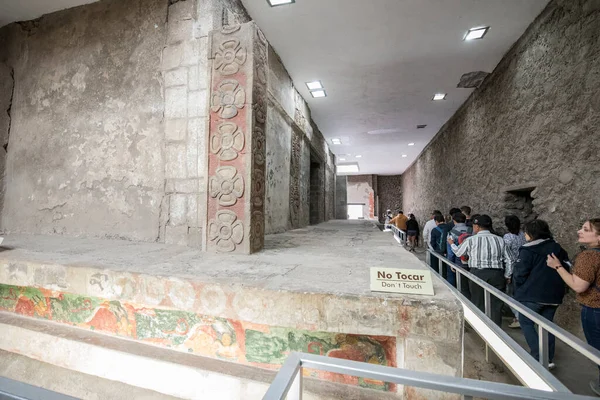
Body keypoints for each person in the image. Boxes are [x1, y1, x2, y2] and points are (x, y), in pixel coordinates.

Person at [547, 218, 600, 395]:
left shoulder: (589, 256)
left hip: (595, 310)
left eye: (585, 229)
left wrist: (558, 267)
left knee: (597, 351)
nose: (579, 231)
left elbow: (578, 286)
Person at [514, 220, 569, 369]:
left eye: (525, 232)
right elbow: (567, 267)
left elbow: (520, 273)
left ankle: (538, 357)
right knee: (547, 326)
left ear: (531, 233)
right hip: (553, 295)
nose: (524, 235)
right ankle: (549, 358)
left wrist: (518, 288)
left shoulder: (527, 250)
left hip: (532, 295)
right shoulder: (558, 248)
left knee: (526, 322)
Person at [448, 215, 514, 327]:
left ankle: (480, 328)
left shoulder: (471, 240)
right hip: (496, 274)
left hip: (477, 273)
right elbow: (510, 259)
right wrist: (507, 275)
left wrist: (452, 244)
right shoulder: (500, 240)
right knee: (496, 305)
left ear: (477, 227)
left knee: (478, 301)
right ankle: (495, 330)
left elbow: (459, 253)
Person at [504, 215, 527, 329]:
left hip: (513, 269)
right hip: (523, 267)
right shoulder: (523, 235)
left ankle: (519, 317)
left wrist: (508, 274)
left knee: (509, 294)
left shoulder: (507, 237)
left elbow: (508, 256)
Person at [447, 212, 471, 298]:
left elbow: (450, 251)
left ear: (454, 221)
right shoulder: (471, 230)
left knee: (461, 283)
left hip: (459, 260)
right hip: (472, 261)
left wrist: (451, 262)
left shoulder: (451, 232)